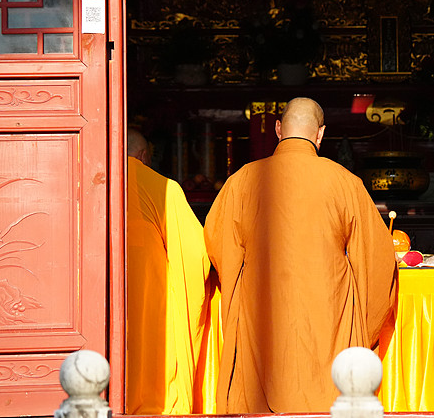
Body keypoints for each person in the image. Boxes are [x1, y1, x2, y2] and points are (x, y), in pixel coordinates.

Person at [204, 97, 398, 413]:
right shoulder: (346, 183)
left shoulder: (241, 181)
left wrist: (241, 293)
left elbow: (218, 246)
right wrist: (362, 329)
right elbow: (378, 262)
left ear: (278, 129)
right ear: (320, 134)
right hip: (328, 324)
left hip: (261, 319)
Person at [125, 128, 221, 414]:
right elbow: (196, 256)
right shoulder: (162, 187)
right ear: (144, 156)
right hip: (150, 304)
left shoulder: (86, 180)